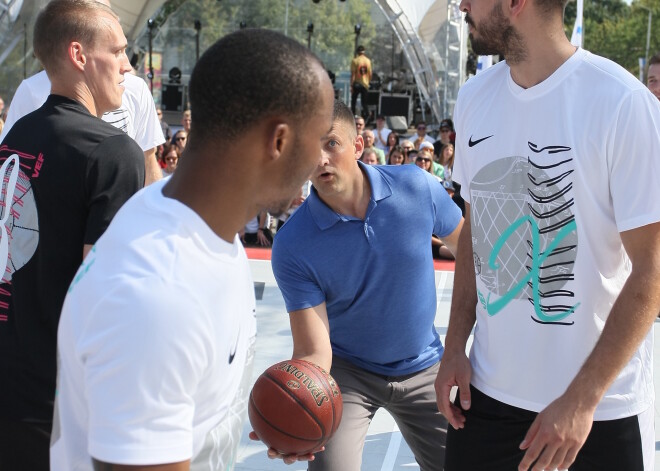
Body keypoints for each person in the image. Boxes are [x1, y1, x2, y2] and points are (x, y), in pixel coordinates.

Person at [51, 27, 335, 470]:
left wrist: (259, 416)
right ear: (278, 141)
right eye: (318, 139)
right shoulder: (156, 295)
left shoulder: (189, 224)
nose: (321, 160)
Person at [434, 0, 660, 467]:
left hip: (594, 415)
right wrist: (455, 342)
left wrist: (581, 399)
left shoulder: (621, 102)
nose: (461, 5)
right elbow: (476, 231)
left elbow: (653, 269)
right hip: (486, 399)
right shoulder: (475, 96)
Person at [269, 99, 463, 470]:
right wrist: (294, 410)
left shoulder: (416, 188)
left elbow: (469, 250)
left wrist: (461, 345)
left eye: (331, 144)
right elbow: (314, 350)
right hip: (348, 373)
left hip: (425, 364)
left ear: (358, 146)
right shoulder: (293, 244)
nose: (321, 159)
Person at [0, 1, 145, 468]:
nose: (128, 65)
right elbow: (104, 297)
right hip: (58, 404)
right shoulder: (112, 151)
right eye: (119, 51)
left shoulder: (17, 133)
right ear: (79, 55)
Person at [1, 56, 164, 186]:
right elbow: (9, 163)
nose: (127, 64)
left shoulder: (136, 88)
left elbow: (149, 165)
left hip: (124, 222)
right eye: (116, 51)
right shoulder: (32, 89)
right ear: (77, 52)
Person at [350, 45, 372, 119]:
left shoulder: (355, 61)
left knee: (353, 101)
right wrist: (368, 82)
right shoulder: (368, 61)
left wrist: (351, 85)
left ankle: (352, 116)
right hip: (365, 84)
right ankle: (367, 116)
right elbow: (370, 74)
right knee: (364, 103)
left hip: (357, 83)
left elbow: (353, 74)